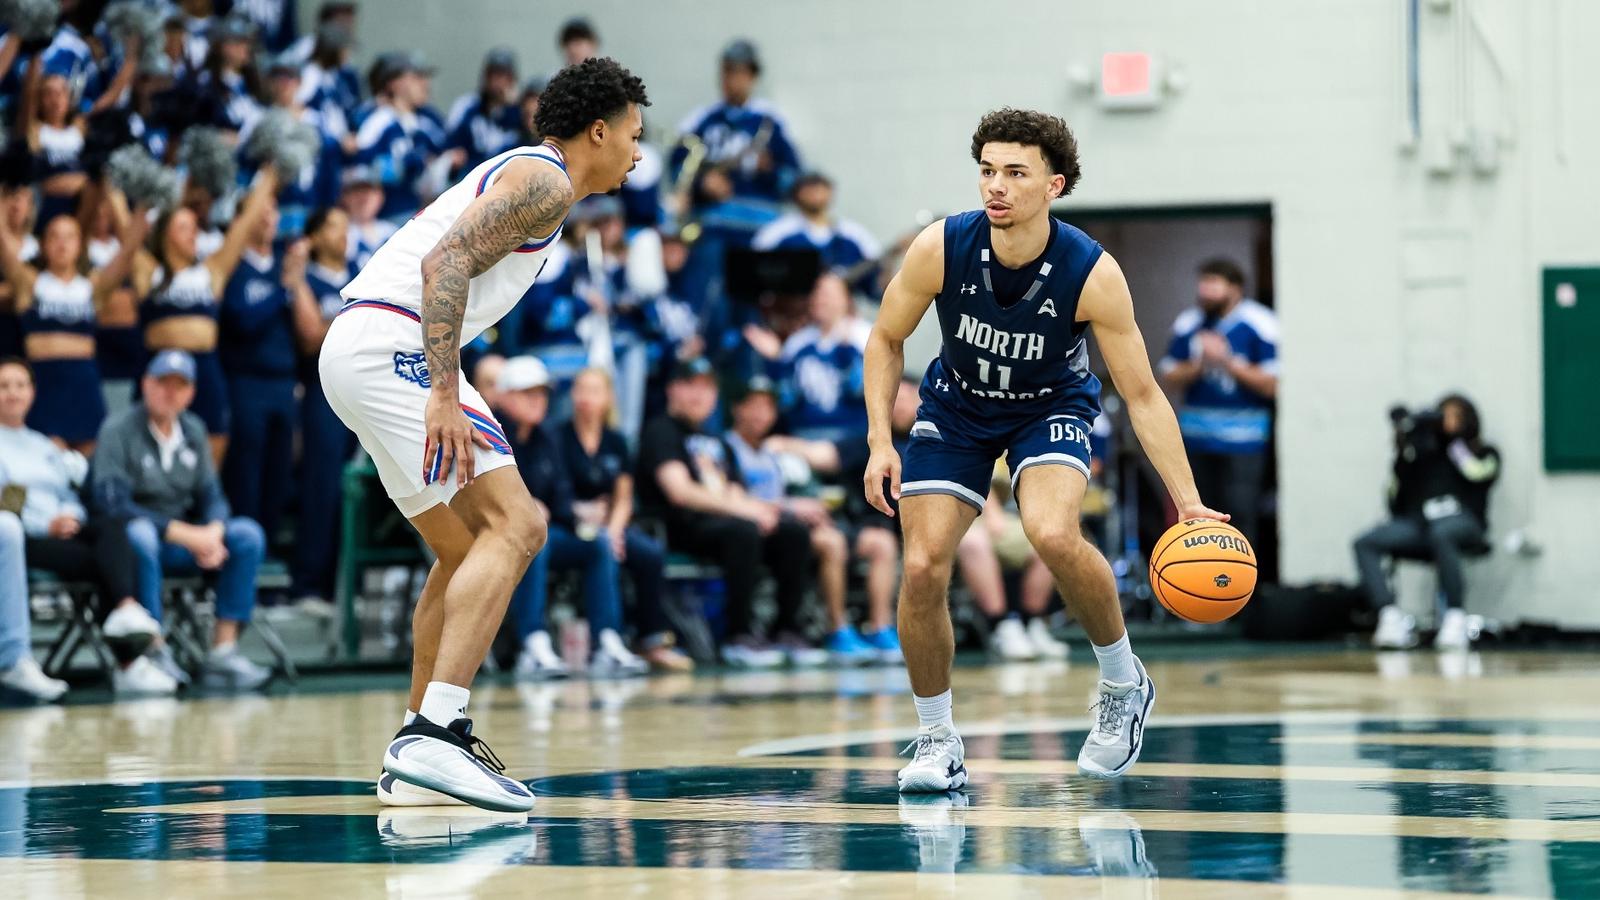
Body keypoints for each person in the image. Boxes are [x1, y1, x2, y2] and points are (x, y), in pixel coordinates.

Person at [862, 108, 1226, 791]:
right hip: (957, 407)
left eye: (1015, 173)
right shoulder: (939, 248)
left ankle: (1123, 683)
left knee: (1053, 531)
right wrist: (880, 440)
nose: (995, 186)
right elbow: (884, 340)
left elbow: (1143, 394)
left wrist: (1190, 502)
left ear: (1053, 185)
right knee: (921, 567)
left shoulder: (1091, 272)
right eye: (987, 171)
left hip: (1049, 408)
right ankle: (936, 738)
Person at [320, 57, 647, 812]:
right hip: (395, 343)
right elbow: (447, 262)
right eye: (632, 136)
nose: (638, 153)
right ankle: (439, 729)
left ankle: (414, 750)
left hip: (363, 345)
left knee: (465, 548)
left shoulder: (538, 182)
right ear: (597, 131)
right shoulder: (547, 180)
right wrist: (442, 390)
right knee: (521, 522)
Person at [91, 350, 274, 692]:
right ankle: (153, 647)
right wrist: (185, 534)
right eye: (162, 383)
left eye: (180, 386)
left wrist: (214, 532)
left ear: (191, 392)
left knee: (246, 534)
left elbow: (213, 497)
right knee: (140, 534)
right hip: (142, 545)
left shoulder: (193, 429)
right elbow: (111, 503)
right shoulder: (118, 430)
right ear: (146, 384)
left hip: (187, 544)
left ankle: (223, 650)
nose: (170, 393)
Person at [636, 358, 815, 668]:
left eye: (706, 387)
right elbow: (680, 492)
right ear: (672, 390)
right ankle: (739, 635)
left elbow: (735, 491)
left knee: (792, 531)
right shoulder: (660, 431)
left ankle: (786, 628)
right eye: (691, 385)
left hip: (725, 524)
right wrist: (749, 511)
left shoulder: (716, 440)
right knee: (743, 531)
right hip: (682, 528)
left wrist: (764, 510)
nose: (699, 395)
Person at [0, 358, 149, 701]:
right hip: (26, 537)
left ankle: (127, 611)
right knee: (107, 561)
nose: (13, 393)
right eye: (5, 386)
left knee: (112, 528)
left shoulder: (43, 445)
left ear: (32, 393)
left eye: (20, 385)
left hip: (61, 529)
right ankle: (128, 660)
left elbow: (67, 492)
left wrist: (70, 517)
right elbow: (7, 507)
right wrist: (47, 524)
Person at [725, 375, 897, 666]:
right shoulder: (725, 448)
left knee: (880, 541)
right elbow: (731, 496)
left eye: (767, 407)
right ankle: (837, 629)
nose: (760, 414)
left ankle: (880, 628)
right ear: (736, 409)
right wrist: (790, 507)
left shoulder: (773, 451)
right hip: (758, 526)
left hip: (787, 521)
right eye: (752, 406)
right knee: (829, 543)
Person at [495, 358, 648, 679]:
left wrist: (580, 517)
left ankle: (607, 640)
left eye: (541, 393)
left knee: (598, 544)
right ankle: (533, 644)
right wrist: (525, 504)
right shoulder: (490, 433)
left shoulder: (547, 438)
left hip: (545, 533)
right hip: (496, 537)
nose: (537, 401)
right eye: (527, 393)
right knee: (535, 540)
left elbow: (561, 495)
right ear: (505, 396)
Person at [132, 167, 280, 464]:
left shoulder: (212, 270)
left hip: (206, 368)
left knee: (212, 445)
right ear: (165, 232)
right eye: (183, 227)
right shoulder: (149, 270)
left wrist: (270, 174)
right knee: (148, 447)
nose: (193, 234)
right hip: (160, 366)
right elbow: (129, 233)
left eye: (194, 227)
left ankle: (205, 507)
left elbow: (244, 223)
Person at [558, 367, 692, 672]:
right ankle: (607, 639)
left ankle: (651, 640)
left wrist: (616, 530)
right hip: (572, 524)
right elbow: (558, 491)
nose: (586, 398)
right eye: (580, 389)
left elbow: (624, 494)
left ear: (608, 399)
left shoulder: (616, 440)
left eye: (594, 391)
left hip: (608, 524)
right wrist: (585, 514)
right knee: (600, 548)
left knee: (649, 553)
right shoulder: (559, 436)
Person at [0, 203, 147, 453]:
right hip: (44, 385)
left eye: (70, 237)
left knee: (87, 469)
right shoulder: (29, 283)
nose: (62, 243)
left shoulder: (93, 286)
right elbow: (3, 243)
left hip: (83, 385)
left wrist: (143, 206)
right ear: (43, 245)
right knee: (43, 463)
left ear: (81, 245)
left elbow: (128, 252)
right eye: (54, 236)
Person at [1357, 395, 1500, 650]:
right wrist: (1405, 449)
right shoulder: (1423, 456)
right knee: (1366, 542)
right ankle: (1389, 615)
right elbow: (1394, 499)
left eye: (1453, 416)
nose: (1444, 421)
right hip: (1420, 525)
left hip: (1463, 523)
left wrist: (1454, 443)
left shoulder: (1482, 452)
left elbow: (1480, 474)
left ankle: (1455, 616)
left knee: (1442, 533)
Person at [218, 198, 319, 549]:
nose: (267, 219)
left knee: (279, 474)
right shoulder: (233, 266)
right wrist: (283, 289)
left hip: (284, 382)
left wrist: (296, 283)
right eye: (258, 212)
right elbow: (242, 320)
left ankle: (271, 557)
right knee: (246, 473)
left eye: (272, 211)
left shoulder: (283, 264)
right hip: (245, 381)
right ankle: (246, 553)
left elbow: (308, 333)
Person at [1157, 258, 1278, 545]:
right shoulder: (1190, 322)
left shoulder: (1260, 323)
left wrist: (1227, 361)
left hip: (1243, 442)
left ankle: (1244, 586)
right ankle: (1201, 587)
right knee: (1198, 519)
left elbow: (1273, 385)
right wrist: (1199, 363)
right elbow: (1169, 377)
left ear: (1235, 288)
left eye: (1213, 284)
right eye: (1203, 283)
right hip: (1196, 440)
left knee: (1240, 516)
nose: (1205, 291)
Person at [289, 206, 356, 608]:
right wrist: (356, 322)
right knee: (322, 488)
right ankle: (309, 583)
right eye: (333, 225)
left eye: (346, 226)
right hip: (319, 392)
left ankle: (341, 584)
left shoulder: (360, 276)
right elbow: (311, 336)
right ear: (313, 237)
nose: (343, 234)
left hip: (358, 393)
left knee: (353, 491)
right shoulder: (306, 280)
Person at [672, 39, 801, 208]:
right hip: (711, 217)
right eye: (728, 71)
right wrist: (702, 183)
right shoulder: (701, 119)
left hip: (760, 217)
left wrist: (770, 171)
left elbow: (794, 179)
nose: (733, 79)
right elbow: (677, 171)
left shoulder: (772, 121)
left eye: (740, 72)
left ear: (753, 76)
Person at [752, 172, 882, 297]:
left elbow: (876, 278)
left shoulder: (853, 233)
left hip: (842, 313)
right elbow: (755, 272)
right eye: (809, 188)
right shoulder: (777, 232)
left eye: (820, 188)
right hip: (790, 312)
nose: (815, 193)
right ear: (797, 194)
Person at [446, 48, 522, 173]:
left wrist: (512, 108)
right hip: (472, 174)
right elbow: (452, 142)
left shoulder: (519, 111)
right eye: (495, 75)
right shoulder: (468, 106)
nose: (499, 82)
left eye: (505, 76)